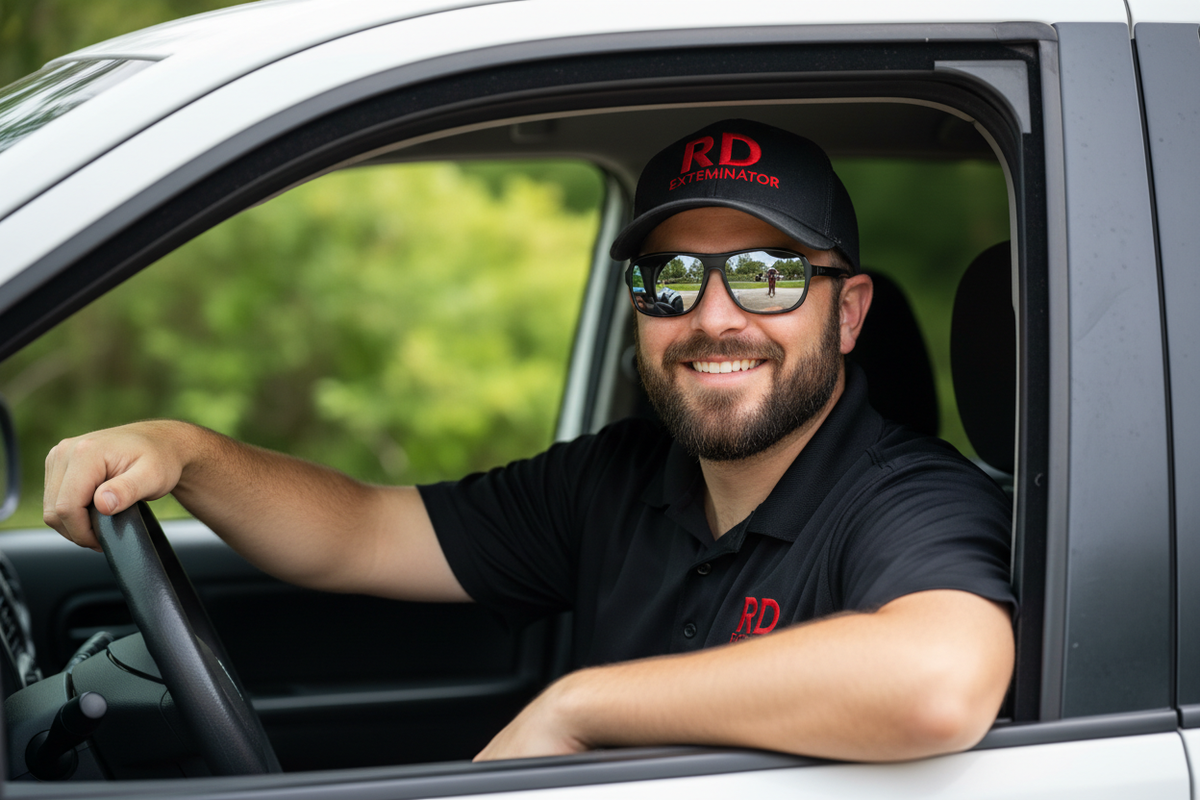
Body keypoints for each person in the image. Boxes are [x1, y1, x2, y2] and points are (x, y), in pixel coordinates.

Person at [43, 119, 1014, 764]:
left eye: (765, 275)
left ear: (847, 313)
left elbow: (938, 681)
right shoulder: (622, 478)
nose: (715, 317)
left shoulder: (913, 497)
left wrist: (581, 706)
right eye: (671, 279)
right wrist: (185, 451)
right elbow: (365, 532)